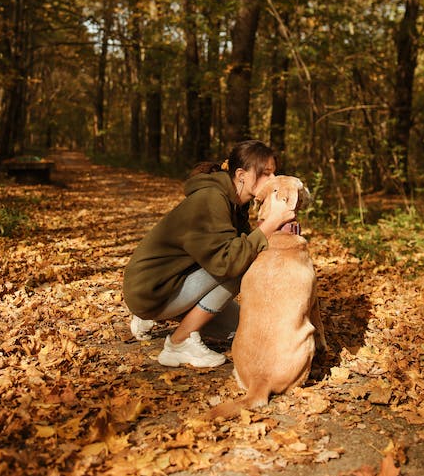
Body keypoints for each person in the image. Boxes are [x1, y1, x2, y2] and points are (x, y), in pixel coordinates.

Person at [123, 139, 296, 368]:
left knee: (247, 328)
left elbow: (245, 246)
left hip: (173, 281)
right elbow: (229, 263)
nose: (272, 180)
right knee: (241, 264)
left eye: (275, 173)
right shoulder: (210, 199)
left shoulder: (236, 203)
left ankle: (157, 316)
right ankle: (179, 341)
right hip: (151, 289)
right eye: (265, 174)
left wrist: (275, 226)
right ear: (242, 174)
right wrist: (270, 224)